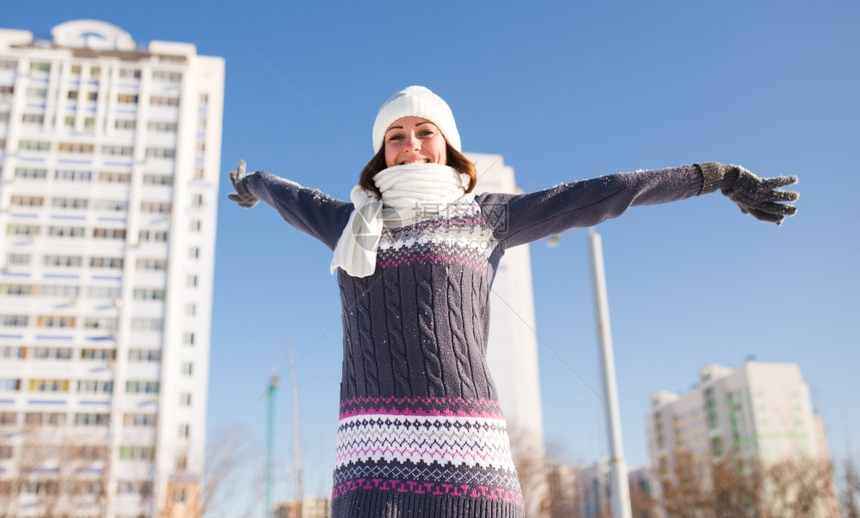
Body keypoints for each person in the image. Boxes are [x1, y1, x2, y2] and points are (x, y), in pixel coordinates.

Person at [228, 85, 798, 518]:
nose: (411, 145)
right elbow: (286, 193)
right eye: (395, 136)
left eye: (424, 131)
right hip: (365, 453)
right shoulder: (348, 223)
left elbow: (607, 193)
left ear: (446, 145)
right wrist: (253, 185)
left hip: (466, 448)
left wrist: (716, 176)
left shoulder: (485, 216)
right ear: (382, 155)